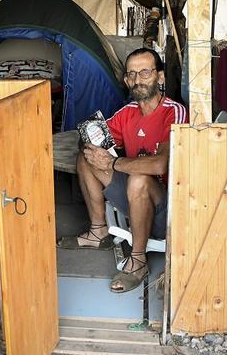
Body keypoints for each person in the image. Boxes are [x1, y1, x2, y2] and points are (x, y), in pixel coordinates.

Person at [58, 48, 188, 293]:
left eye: (145, 72)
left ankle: (138, 261)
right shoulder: (127, 113)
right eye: (132, 74)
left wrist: (113, 163)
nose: (138, 79)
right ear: (127, 81)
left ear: (160, 77)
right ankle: (99, 231)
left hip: (168, 209)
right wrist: (92, 144)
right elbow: (96, 138)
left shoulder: (174, 112)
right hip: (134, 198)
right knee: (87, 158)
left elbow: (161, 164)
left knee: (138, 179)